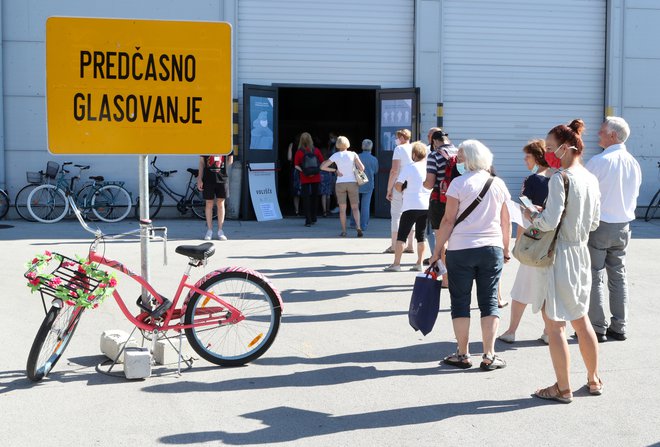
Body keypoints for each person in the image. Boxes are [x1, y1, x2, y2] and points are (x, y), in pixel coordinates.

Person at [526, 119, 603, 403]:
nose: (547, 153)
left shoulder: (560, 179)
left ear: (566, 148)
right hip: (581, 252)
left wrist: (532, 220)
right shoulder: (591, 178)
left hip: (559, 255)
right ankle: (593, 379)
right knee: (581, 321)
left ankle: (562, 387)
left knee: (555, 324)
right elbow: (594, 222)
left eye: (550, 148)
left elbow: (549, 220)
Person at [429, 140, 511, 371]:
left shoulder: (457, 183)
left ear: (471, 159)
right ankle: (489, 354)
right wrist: (505, 248)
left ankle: (463, 353)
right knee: (489, 302)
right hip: (491, 249)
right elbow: (506, 221)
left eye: (461, 158)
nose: (458, 162)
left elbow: (448, 221)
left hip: (460, 249)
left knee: (460, 302)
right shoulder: (498, 184)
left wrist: (437, 251)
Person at [586, 116, 642, 342]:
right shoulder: (633, 163)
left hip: (600, 224)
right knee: (618, 275)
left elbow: (585, 194)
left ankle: (597, 328)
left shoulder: (599, 161)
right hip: (623, 226)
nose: (597, 134)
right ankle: (620, 325)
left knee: (594, 275)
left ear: (612, 135)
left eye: (601, 131)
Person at [498, 139, 553, 344]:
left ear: (538, 157)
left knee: (522, 287)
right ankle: (549, 331)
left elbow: (525, 215)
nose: (525, 160)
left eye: (527, 156)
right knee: (547, 288)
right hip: (554, 242)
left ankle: (511, 330)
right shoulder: (559, 178)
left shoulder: (532, 181)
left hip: (534, 240)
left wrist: (518, 242)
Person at [384, 141, 432, 271]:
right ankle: (419, 263)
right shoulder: (429, 168)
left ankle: (396, 264)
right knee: (421, 236)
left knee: (402, 234)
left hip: (411, 204)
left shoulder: (410, 167)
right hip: (425, 205)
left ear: (414, 154)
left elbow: (398, 185)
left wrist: (403, 188)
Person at [423, 129, 457, 284]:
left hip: (439, 200)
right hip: (458, 200)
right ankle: (458, 275)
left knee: (441, 239)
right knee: (456, 238)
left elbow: (430, 183)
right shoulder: (459, 153)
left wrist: (422, 184)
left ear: (435, 141)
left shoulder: (434, 155)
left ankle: (446, 279)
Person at [320, 136, 365, 237]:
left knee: (342, 209)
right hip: (353, 183)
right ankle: (358, 227)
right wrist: (354, 170)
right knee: (355, 208)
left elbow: (322, 167)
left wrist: (335, 170)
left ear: (337, 145)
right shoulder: (353, 154)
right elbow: (362, 168)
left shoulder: (336, 155)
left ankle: (344, 231)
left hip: (340, 183)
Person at [385, 129, 415, 253]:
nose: (396, 140)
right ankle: (410, 245)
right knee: (411, 215)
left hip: (400, 184)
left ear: (402, 137)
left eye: (397, 137)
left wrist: (388, 189)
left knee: (396, 215)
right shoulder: (415, 147)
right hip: (413, 185)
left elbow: (394, 171)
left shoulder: (399, 149)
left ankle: (394, 245)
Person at [197, 153, 233, 241]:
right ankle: (209, 230)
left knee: (221, 203)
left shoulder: (226, 144)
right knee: (209, 203)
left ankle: (220, 231)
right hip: (208, 179)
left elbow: (230, 160)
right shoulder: (205, 144)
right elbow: (202, 162)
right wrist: (199, 178)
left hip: (222, 178)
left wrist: (222, 169)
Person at [294, 132, 324, 227]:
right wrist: (316, 171)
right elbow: (322, 163)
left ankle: (308, 220)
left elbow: (296, 165)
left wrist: (304, 171)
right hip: (316, 177)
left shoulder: (299, 152)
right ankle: (314, 217)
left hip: (304, 178)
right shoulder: (316, 150)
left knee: (306, 199)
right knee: (315, 197)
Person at [349, 139, 379, 231]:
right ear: (371, 147)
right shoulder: (374, 159)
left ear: (362, 146)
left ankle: (353, 223)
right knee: (365, 205)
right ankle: (363, 225)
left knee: (354, 204)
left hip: (356, 183)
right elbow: (376, 171)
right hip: (368, 184)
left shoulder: (356, 157)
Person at [287, 134, 302, 216]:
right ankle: (307, 209)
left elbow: (289, 158)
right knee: (306, 190)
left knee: (296, 191)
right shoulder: (305, 146)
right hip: (305, 170)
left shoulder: (292, 145)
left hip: (295, 170)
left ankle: (297, 210)